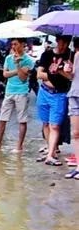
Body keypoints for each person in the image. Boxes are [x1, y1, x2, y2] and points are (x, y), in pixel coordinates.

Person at [0, 38, 35, 152]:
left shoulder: (29, 60)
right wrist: (18, 70)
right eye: (12, 44)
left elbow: (23, 78)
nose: (13, 46)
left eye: (16, 44)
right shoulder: (8, 58)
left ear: (23, 45)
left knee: (22, 120)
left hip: (22, 91)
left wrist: (18, 65)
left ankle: (19, 146)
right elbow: (5, 74)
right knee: (2, 118)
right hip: (9, 91)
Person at [36, 35, 72, 165]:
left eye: (66, 43)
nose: (63, 46)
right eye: (62, 43)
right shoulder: (47, 55)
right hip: (44, 92)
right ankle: (51, 149)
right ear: (57, 41)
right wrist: (53, 74)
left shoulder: (70, 55)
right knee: (46, 123)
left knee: (55, 125)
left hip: (59, 94)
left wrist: (60, 71)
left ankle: (50, 154)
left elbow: (70, 77)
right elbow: (39, 74)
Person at [64, 37, 79, 180]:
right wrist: (67, 71)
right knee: (76, 133)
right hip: (74, 95)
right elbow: (72, 77)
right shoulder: (76, 55)